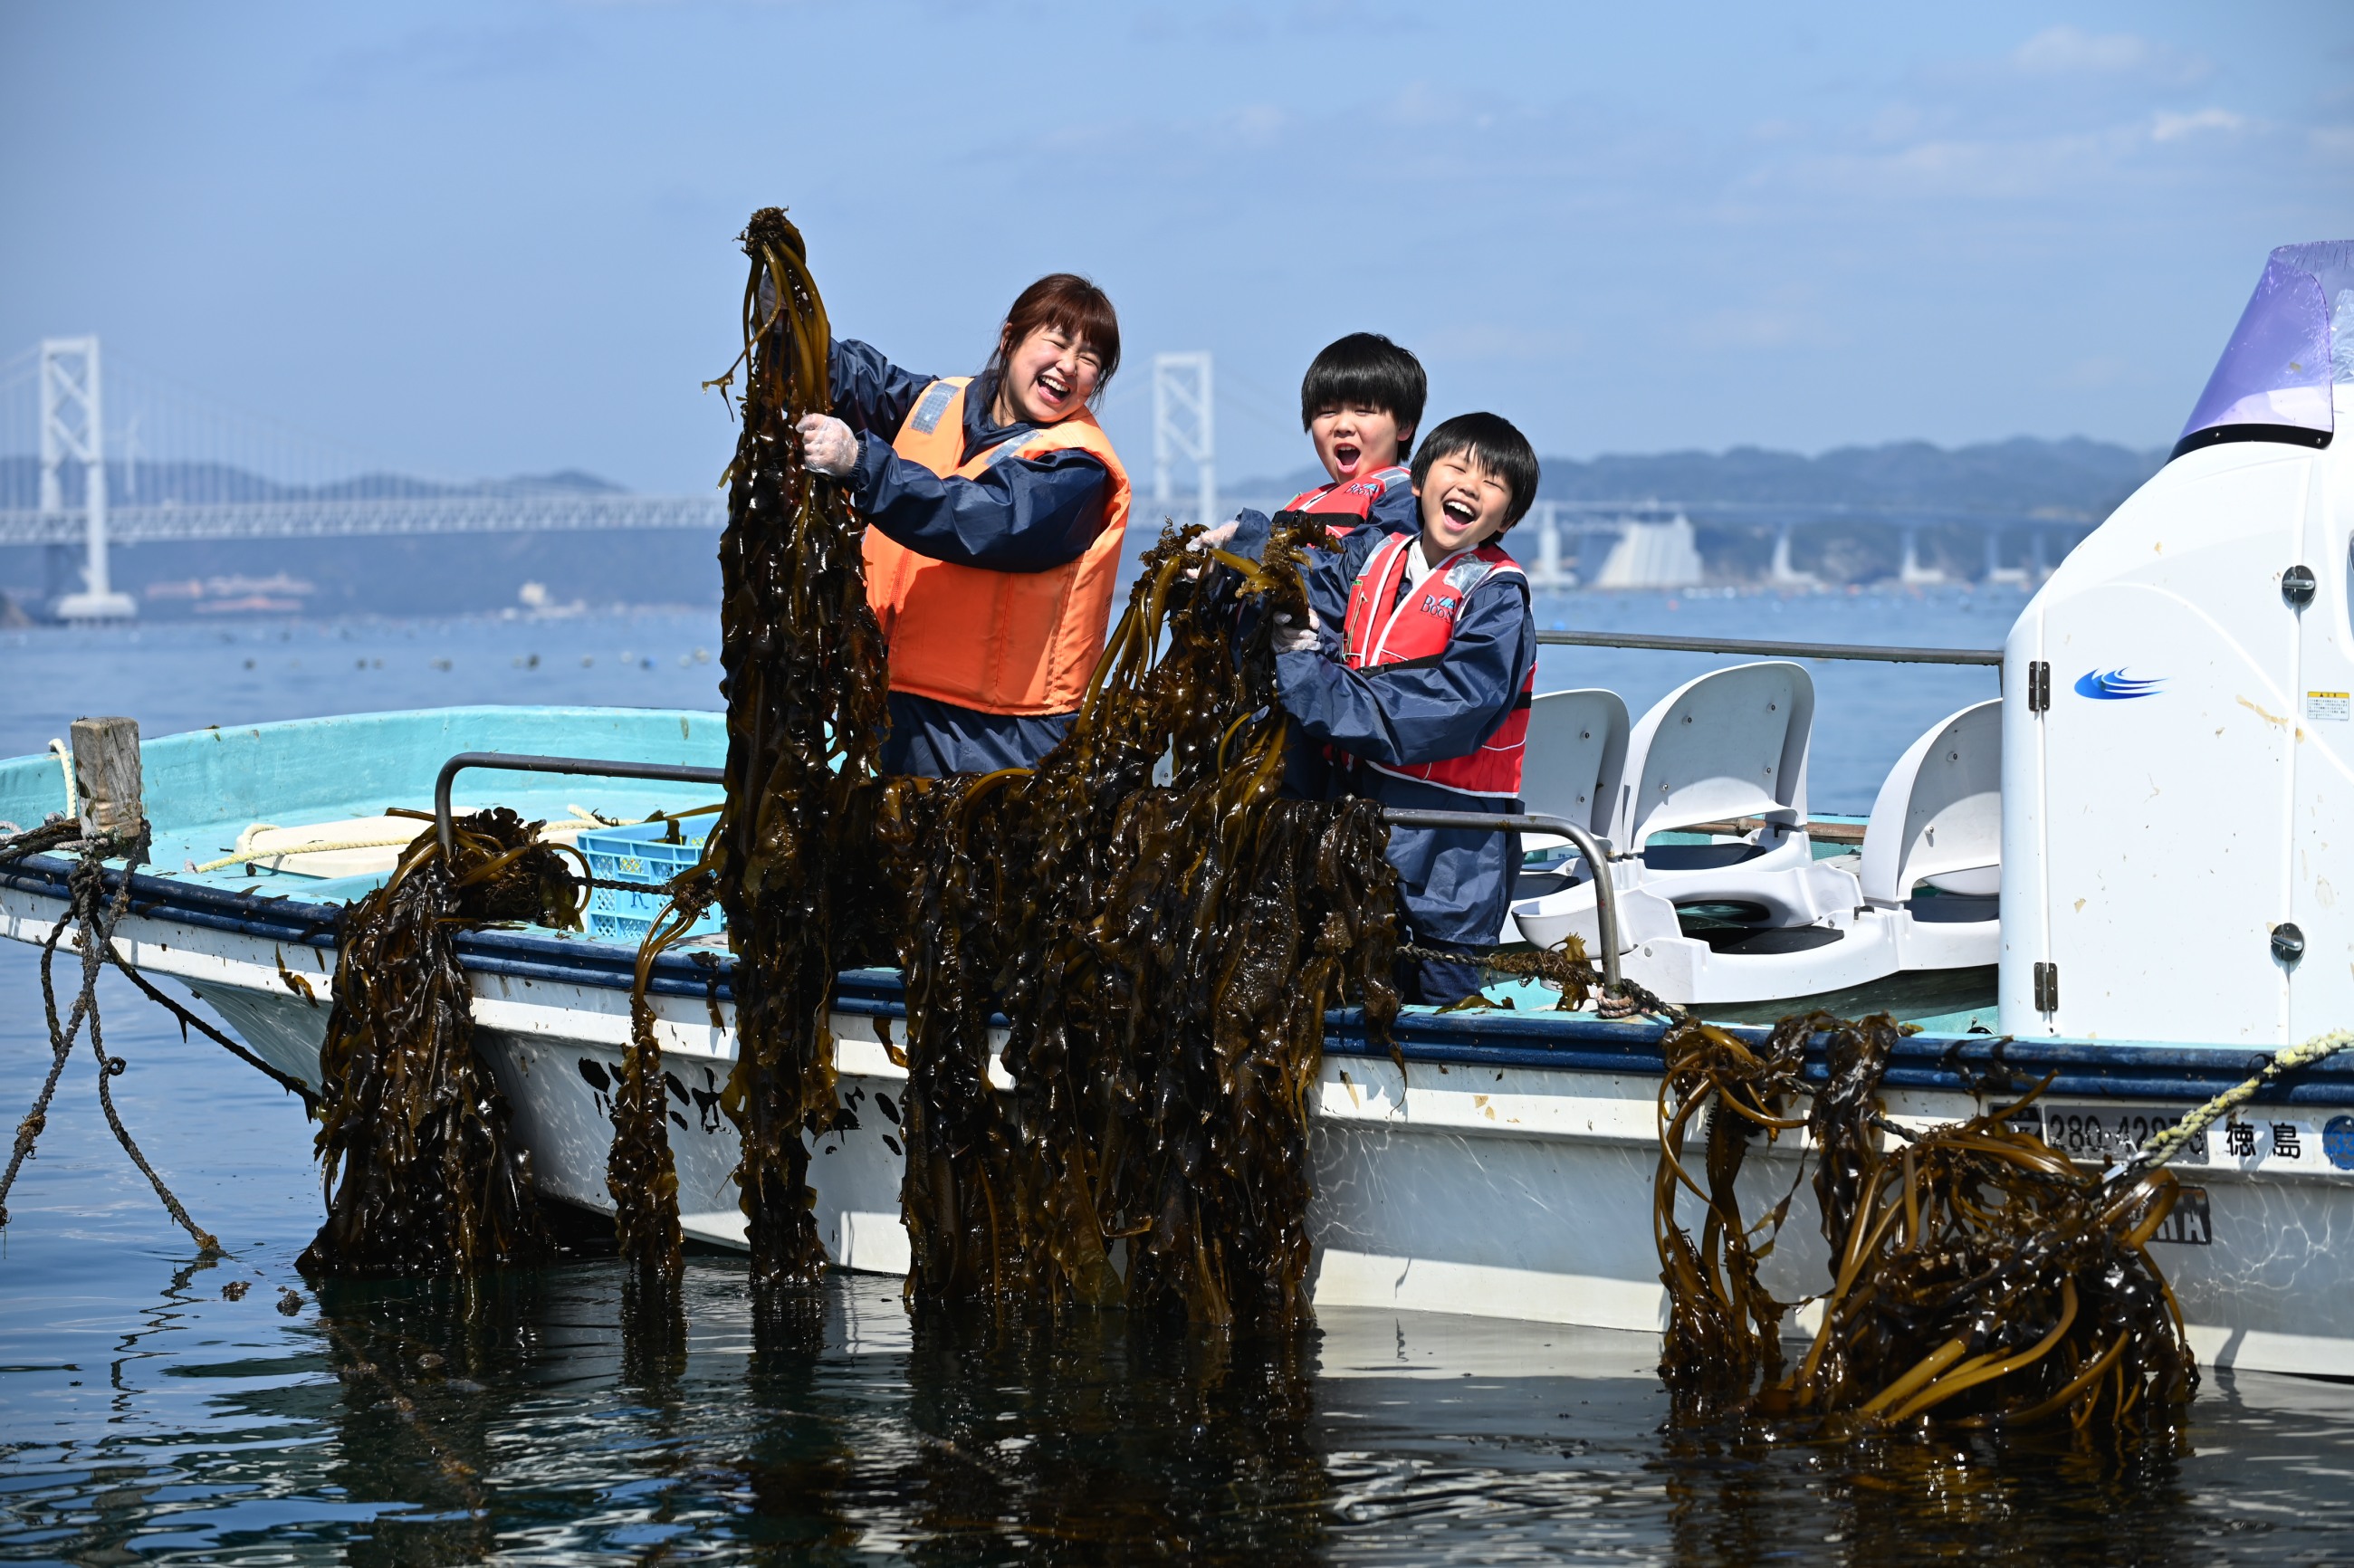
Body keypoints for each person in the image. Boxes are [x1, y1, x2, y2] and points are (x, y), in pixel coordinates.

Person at [1252, 412, 1542, 1006]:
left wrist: (1311, 679)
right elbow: (1313, 586)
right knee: (1348, 983)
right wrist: (1246, 543)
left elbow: (1452, 704)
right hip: (1361, 820)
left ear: (1508, 518)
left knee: (1446, 994)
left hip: (1453, 847)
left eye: (1490, 483)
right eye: (1455, 468)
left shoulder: (1497, 599)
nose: (1467, 485)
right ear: (1416, 482)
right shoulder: (1375, 558)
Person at [794, 274, 1132, 777]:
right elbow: (858, 379)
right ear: (1010, 337)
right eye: (1057, 342)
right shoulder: (939, 401)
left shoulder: (1077, 470)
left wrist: (861, 462)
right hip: (897, 703)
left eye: (1089, 361)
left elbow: (990, 517)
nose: (1069, 366)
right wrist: (787, 321)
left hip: (1003, 736)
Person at [1276, 331, 1427, 534]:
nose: (1343, 425)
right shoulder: (1309, 503)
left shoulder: (1405, 505)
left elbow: (1352, 558)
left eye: (1363, 411)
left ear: (1404, 425)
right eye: (1328, 412)